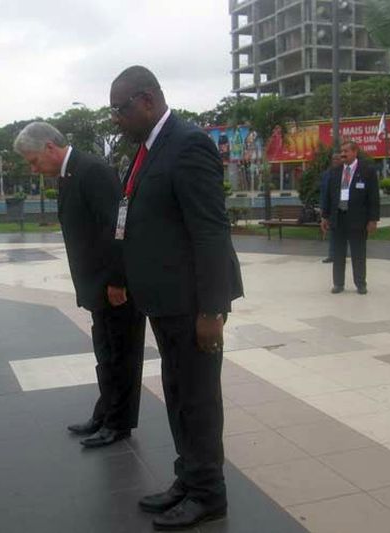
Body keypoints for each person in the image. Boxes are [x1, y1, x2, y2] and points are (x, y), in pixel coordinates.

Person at [109, 66, 243, 531]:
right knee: (178, 395)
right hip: (164, 301)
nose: (116, 121)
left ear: (147, 100)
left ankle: (209, 495)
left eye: (119, 110)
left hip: (192, 305)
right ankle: (188, 480)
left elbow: (209, 230)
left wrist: (212, 310)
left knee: (199, 399)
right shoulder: (147, 149)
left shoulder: (187, 144)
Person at [13, 122, 146, 448]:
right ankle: (105, 413)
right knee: (107, 353)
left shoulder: (92, 170)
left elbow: (117, 226)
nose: (33, 169)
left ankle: (118, 424)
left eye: (33, 160)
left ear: (49, 147)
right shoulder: (70, 173)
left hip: (114, 287)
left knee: (121, 356)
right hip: (98, 285)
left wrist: (117, 280)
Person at [320, 141, 380, 294]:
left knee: (358, 253)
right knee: (338, 253)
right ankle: (338, 284)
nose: (343, 154)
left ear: (355, 152)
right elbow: (328, 196)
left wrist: (373, 220)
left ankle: (360, 283)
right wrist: (325, 216)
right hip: (338, 218)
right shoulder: (335, 172)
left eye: (346, 151)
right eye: (341, 151)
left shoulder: (367, 171)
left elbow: (374, 197)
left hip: (358, 220)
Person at [319, 153, 342, 263]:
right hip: (331, 209)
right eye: (334, 159)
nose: (336, 161)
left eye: (338, 159)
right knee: (332, 232)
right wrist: (323, 208)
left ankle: (341, 255)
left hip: (342, 208)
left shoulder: (345, 173)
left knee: (343, 233)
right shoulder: (327, 174)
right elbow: (324, 192)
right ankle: (332, 255)